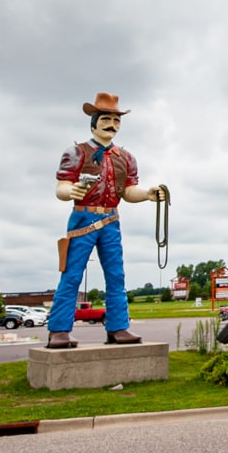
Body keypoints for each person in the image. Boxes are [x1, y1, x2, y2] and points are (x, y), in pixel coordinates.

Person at [48, 93, 167, 349]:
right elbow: (61, 188)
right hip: (83, 217)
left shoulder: (126, 158)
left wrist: (147, 194)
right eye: (106, 118)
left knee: (116, 275)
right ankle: (58, 330)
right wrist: (72, 191)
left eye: (116, 119)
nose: (111, 124)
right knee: (71, 275)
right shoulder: (76, 152)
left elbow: (127, 192)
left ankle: (118, 327)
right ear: (94, 122)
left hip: (111, 220)